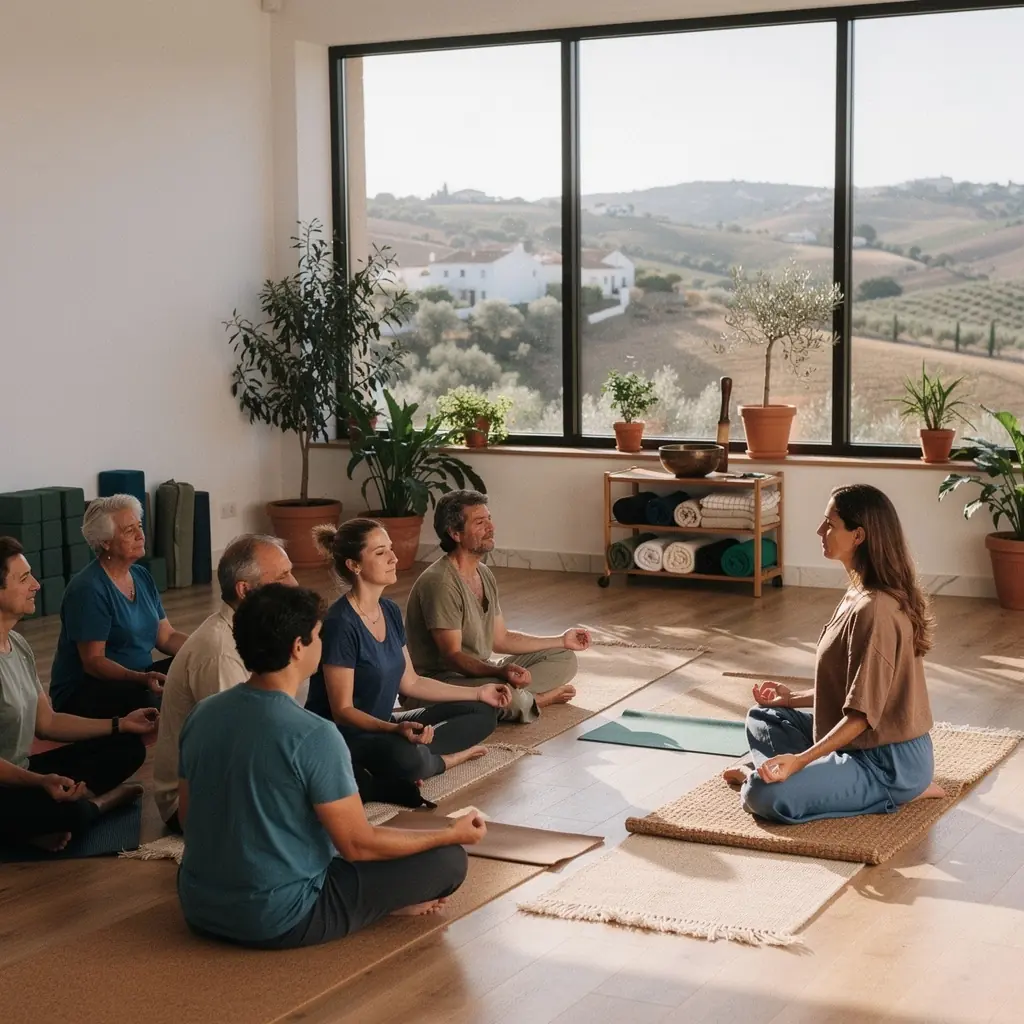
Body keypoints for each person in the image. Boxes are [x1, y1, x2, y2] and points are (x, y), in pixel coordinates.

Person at [177, 583, 483, 949]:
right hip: (278, 918)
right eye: (318, 635)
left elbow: (188, 818)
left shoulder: (203, 714)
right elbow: (359, 845)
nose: (322, 642)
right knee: (449, 860)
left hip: (198, 906)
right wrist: (452, 833)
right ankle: (379, 905)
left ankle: (369, 898)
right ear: (297, 647)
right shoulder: (314, 734)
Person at [724, 484, 945, 824]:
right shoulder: (858, 593)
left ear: (859, 535)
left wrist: (799, 761)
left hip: (885, 763)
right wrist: (787, 700)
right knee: (764, 717)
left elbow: (860, 715)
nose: (819, 530)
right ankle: (811, 774)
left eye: (829, 524)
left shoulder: (876, 610)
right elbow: (854, 687)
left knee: (760, 792)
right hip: (860, 744)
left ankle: (903, 790)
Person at [306, 520, 512, 796]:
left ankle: (413, 756)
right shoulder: (340, 624)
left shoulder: (389, 611)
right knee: (407, 758)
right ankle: (441, 760)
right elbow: (343, 711)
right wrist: (393, 729)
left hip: (385, 725)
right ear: (354, 565)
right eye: (380, 553)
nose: (394, 557)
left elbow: (411, 683)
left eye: (390, 549)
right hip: (343, 736)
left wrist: (478, 693)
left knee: (483, 712)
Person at [0, 537, 158, 852]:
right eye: (23, 578)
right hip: (9, 783)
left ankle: (46, 821)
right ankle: (102, 802)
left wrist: (121, 724)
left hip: (23, 771)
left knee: (126, 748)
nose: (36, 584)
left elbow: (47, 723)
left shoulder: (17, 644)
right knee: (70, 812)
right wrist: (40, 782)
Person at [404, 490, 589, 724]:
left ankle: (517, 696)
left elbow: (500, 639)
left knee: (564, 657)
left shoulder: (484, 573)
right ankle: (536, 700)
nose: (491, 528)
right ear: (455, 533)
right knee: (513, 698)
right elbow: (453, 657)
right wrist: (500, 673)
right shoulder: (440, 582)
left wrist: (561, 640)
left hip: (481, 672)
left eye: (489, 519)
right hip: (440, 683)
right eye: (480, 522)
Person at [152, 534, 297, 831]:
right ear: (245, 590)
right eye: (283, 576)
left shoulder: (256, 633)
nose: (294, 584)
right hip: (195, 800)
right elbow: (239, 750)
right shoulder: (220, 652)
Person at [49, 495, 189, 718]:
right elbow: (94, 662)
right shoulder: (88, 589)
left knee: (196, 669)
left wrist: (205, 648)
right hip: (86, 690)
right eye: (128, 530)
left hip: (138, 677)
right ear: (106, 542)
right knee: (153, 701)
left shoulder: (141, 576)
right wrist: (140, 679)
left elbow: (167, 637)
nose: (140, 535)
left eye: (139, 526)